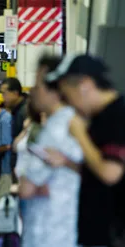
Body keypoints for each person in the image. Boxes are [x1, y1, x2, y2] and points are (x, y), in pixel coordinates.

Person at [44, 54, 125, 247]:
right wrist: (67, 162)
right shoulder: (97, 117)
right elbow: (97, 167)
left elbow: (110, 173)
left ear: (85, 85)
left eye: (67, 95)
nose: (69, 103)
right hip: (95, 232)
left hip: (111, 234)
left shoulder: (118, 114)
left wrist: (80, 134)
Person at [18, 54, 84, 247]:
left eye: (37, 87)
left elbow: (26, 189)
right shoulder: (76, 120)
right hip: (69, 231)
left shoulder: (53, 130)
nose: (33, 93)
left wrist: (31, 184)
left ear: (55, 90)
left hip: (47, 233)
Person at [0, 78, 28, 180]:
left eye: (4, 93)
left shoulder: (24, 112)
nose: (3, 98)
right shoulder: (16, 111)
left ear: (15, 93)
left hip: (23, 171)